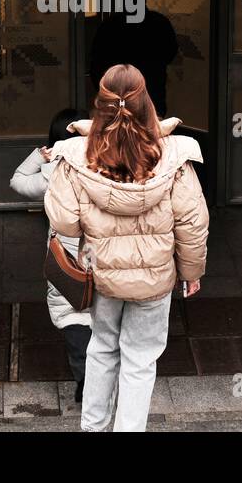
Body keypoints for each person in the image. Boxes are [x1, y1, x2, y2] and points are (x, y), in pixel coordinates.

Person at [44, 64, 209, 432]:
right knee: (140, 360)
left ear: (99, 105)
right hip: (155, 279)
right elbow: (192, 224)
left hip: (102, 274)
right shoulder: (177, 157)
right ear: (146, 103)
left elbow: (65, 223)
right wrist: (192, 273)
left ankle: (93, 427)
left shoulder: (74, 156)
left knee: (102, 348)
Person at [9, 107, 92, 401]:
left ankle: (85, 380)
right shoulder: (107, 168)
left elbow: (17, 180)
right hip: (105, 256)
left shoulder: (50, 174)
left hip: (65, 261)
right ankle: (103, 378)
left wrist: (40, 157)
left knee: (74, 317)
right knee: (104, 319)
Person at [88, 8, 178, 116]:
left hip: (118, 91)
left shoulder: (111, 24)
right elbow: (170, 53)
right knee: (152, 125)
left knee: (115, 127)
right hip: (151, 89)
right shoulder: (159, 22)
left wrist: (105, 89)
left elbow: (97, 62)